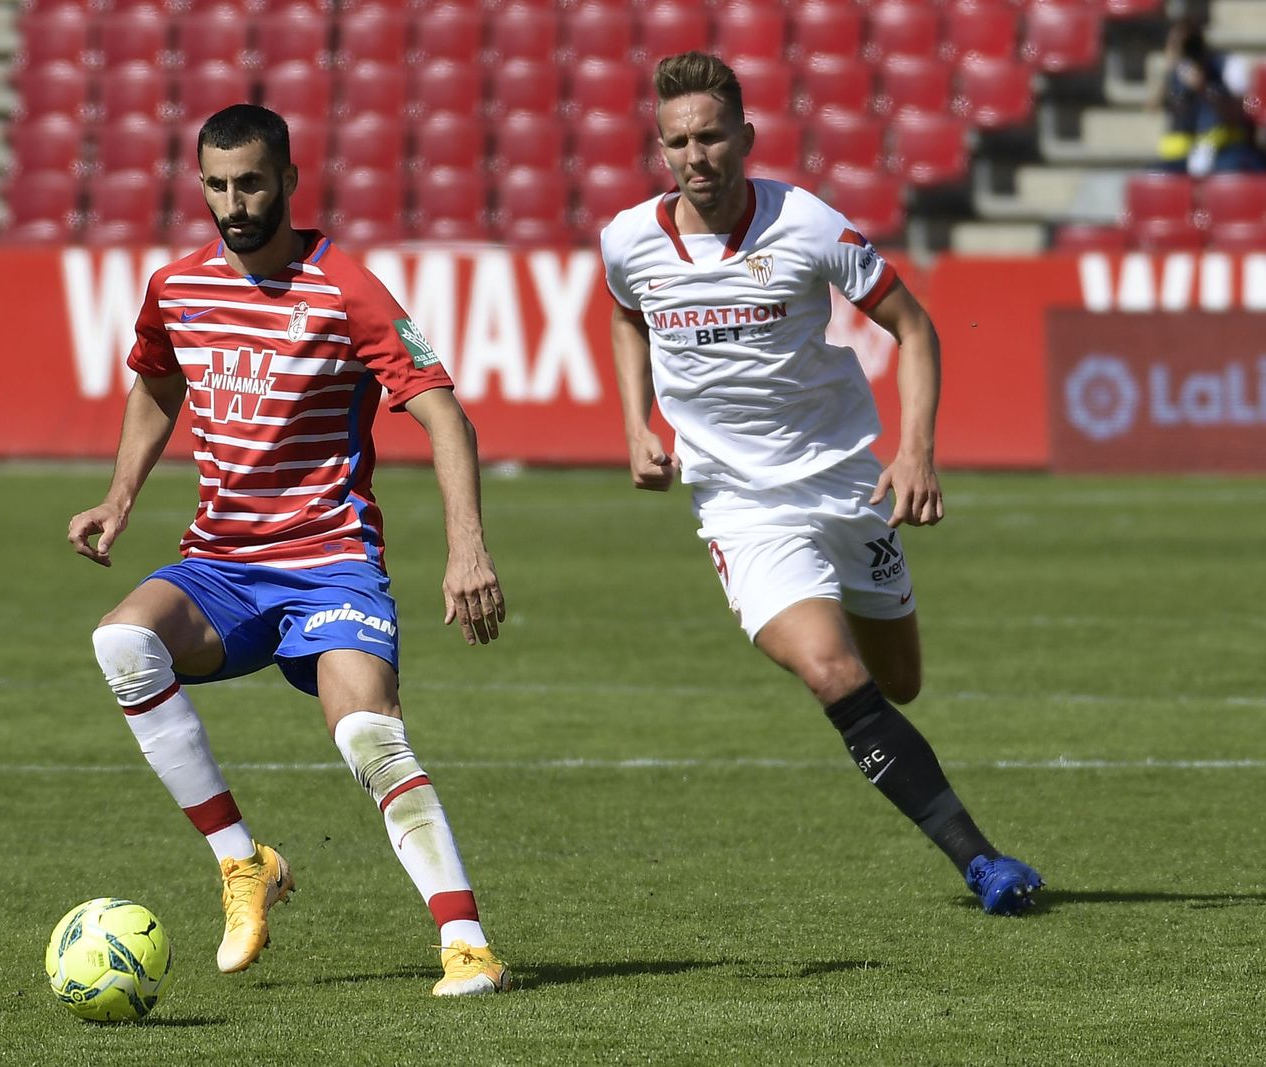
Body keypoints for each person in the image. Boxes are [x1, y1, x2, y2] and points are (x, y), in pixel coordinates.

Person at [67, 103, 511, 995]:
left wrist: (467, 549)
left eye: (252, 184)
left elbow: (445, 417)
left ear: (290, 181)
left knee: (369, 734)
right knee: (121, 641)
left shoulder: (345, 288)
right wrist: (120, 497)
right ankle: (243, 861)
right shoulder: (177, 288)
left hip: (329, 561)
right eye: (217, 186)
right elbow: (157, 383)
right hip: (222, 565)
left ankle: (467, 945)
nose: (234, 204)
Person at [601, 52, 1043, 916]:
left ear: (745, 137)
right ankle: (982, 861)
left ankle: (883, 666)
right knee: (831, 670)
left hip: (845, 485)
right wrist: (634, 423)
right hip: (741, 505)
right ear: (662, 147)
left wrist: (915, 451)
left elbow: (914, 327)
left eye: (711, 137)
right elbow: (626, 313)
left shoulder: (806, 224)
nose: (695, 156)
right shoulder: (629, 239)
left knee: (899, 682)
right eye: (678, 142)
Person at [1149, 18, 1264, 176]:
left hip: (1225, 149)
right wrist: (1169, 69)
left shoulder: (1226, 66)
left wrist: (1204, 88)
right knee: (1154, 176)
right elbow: (1152, 106)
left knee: (1231, 171)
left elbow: (1245, 109)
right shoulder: (1176, 71)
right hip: (1185, 153)